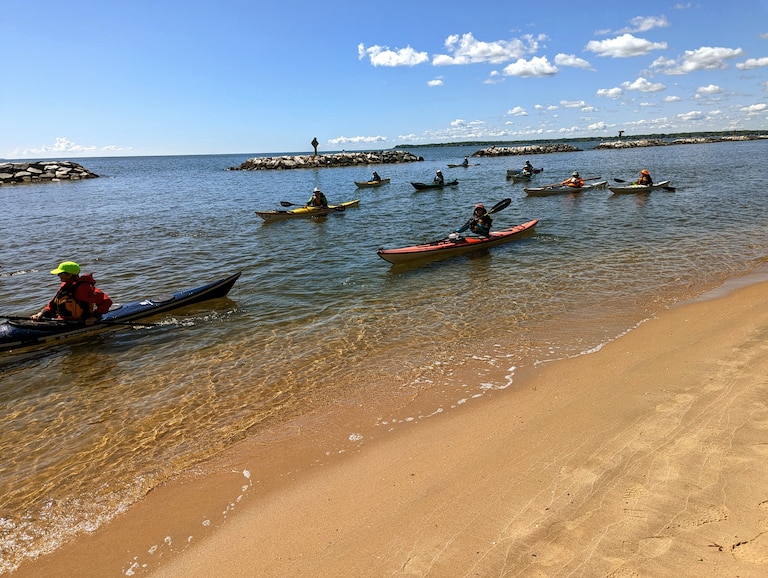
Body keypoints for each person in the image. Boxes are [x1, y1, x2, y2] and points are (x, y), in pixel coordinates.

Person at [31, 261, 112, 326]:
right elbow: (53, 305)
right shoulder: (64, 286)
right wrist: (41, 313)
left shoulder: (84, 288)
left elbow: (106, 301)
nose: (58, 275)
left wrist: (94, 317)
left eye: (60, 273)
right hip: (63, 321)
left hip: (81, 322)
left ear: (69, 275)